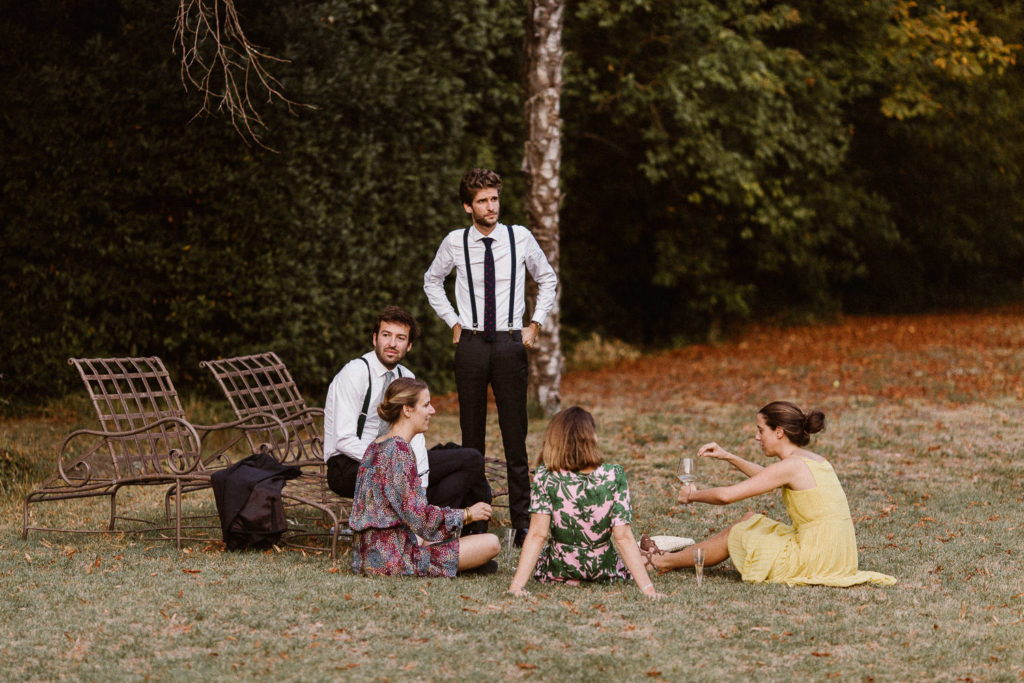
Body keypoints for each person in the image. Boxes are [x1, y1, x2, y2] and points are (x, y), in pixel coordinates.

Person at [423, 168, 558, 546]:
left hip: (510, 343)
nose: (491, 206)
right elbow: (431, 280)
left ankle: (521, 524)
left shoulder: (520, 237)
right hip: (471, 345)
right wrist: (452, 320)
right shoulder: (455, 242)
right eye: (482, 200)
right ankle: (476, 522)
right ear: (468, 206)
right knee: (472, 438)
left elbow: (547, 278)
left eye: (495, 198)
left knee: (515, 435)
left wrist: (535, 324)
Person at [645, 401, 896, 587]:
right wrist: (728, 456)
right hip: (837, 553)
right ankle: (669, 557)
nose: (756, 437)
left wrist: (692, 496)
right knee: (749, 519)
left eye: (760, 430)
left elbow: (726, 497)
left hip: (817, 556)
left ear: (779, 432)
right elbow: (768, 476)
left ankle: (661, 562)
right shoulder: (811, 460)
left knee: (738, 531)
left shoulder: (792, 466)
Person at [323, 306, 492, 534]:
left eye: (400, 338)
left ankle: (441, 524)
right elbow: (343, 440)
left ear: (409, 345)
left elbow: (416, 438)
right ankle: (454, 530)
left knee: (465, 459)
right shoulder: (355, 373)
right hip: (349, 466)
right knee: (467, 458)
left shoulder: (407, 377)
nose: (392, 343)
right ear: (375, 339)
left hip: (397, 462)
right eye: (386, 335)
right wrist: (394, 462)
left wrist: (420, 482)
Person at [349, 378, 501, 576]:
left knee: (436, 532)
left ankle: (463, 563)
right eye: (426, 405)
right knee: (492, 543)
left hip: (365, 556)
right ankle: (463, 564)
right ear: (407, 410)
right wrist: (467, 514)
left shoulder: (375, 446)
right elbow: (421, 520)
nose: (432, 411)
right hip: (392, 560)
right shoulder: (400, 450)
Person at [507, 407, 661, 599]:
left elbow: (538, 534)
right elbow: (623, 538)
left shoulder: (545, 477)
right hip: (605, 571)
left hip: (557, 571)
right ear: (592, 437)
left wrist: (516, 586)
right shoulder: (614, 475)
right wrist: (649, 590)